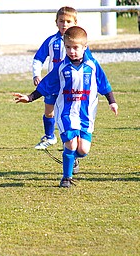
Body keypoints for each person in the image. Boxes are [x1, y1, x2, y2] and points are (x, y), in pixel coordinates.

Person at [14, 26, 118, 188]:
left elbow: (104, 84)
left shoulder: (92, 65)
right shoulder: (61, 67)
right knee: (71, 144)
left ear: (85, 47)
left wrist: (112, 101)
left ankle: (70, 157)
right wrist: (29, 97)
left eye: (75, 47)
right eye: (68, 47)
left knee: (83, 150)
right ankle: (66, 178)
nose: (72, 51)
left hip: (86, 114)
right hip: (66, 112)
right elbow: (46, 85)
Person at [32, 6, 79, 150]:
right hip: (53, 83)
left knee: (70, 112)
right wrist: (36, 74)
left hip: (71, 84)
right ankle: (50, 136)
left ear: (75, 23)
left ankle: (72, 140)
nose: (64, 24)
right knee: (49, 110)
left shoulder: (78, 41)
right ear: (56, 22)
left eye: (68, 21)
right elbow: (38, 58)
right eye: (61, 21)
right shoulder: (51, 41)